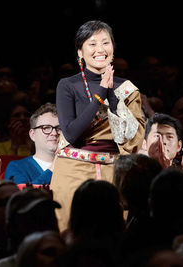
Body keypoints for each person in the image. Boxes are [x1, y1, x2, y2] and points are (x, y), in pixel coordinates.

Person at [50, 20, 145, 231]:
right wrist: (99, 96)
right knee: (71, 234)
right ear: (80, 52)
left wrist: (112, 96)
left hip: (116, 172)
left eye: (105, 42)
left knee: (117, 237)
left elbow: (133, 140)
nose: (100, 49)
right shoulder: (67, 85)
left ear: (113, 49)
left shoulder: (127, 89)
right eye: (92, 44)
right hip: (73, 171)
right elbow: (71, 133)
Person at [4, 103, 60, 184]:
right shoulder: (17, 167)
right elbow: (24, 195)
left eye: (59, 128)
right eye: (46, 128)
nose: (54, 133)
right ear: (32, 135)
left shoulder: (73, 165)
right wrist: (53, 168)